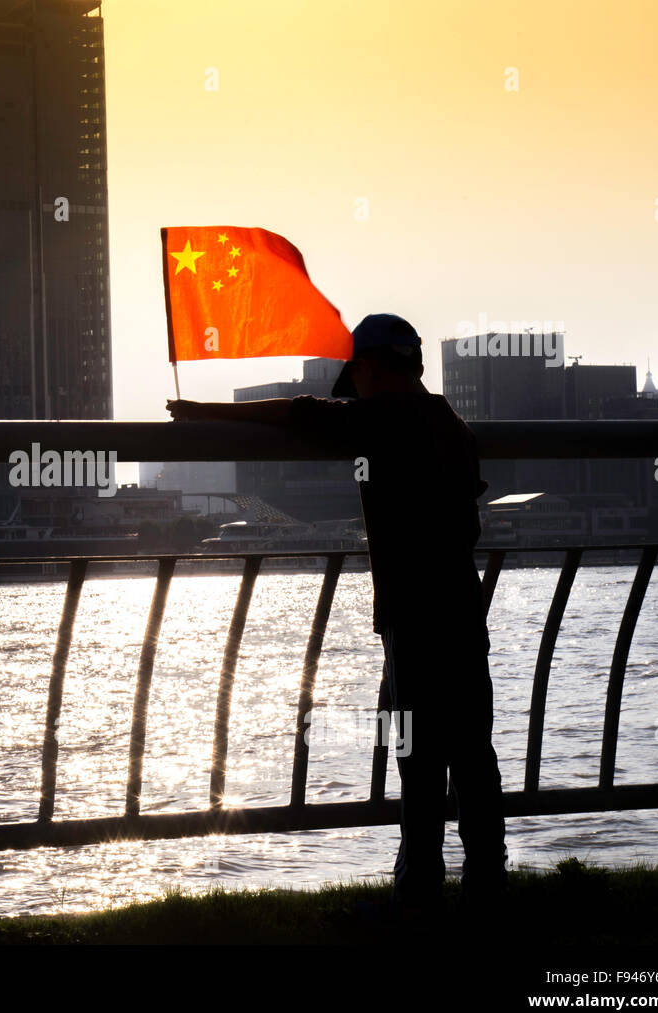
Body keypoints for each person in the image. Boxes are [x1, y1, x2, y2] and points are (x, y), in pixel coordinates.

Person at [167, 313, 508, 928]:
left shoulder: (382, 420)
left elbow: (298, 412)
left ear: (372, 368)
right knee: (471, 753)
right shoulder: (449, 422)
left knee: (420, 759)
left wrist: (202, 412)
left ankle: (419, 889)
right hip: (460, 604)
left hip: (413, 614)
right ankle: (487, 883)